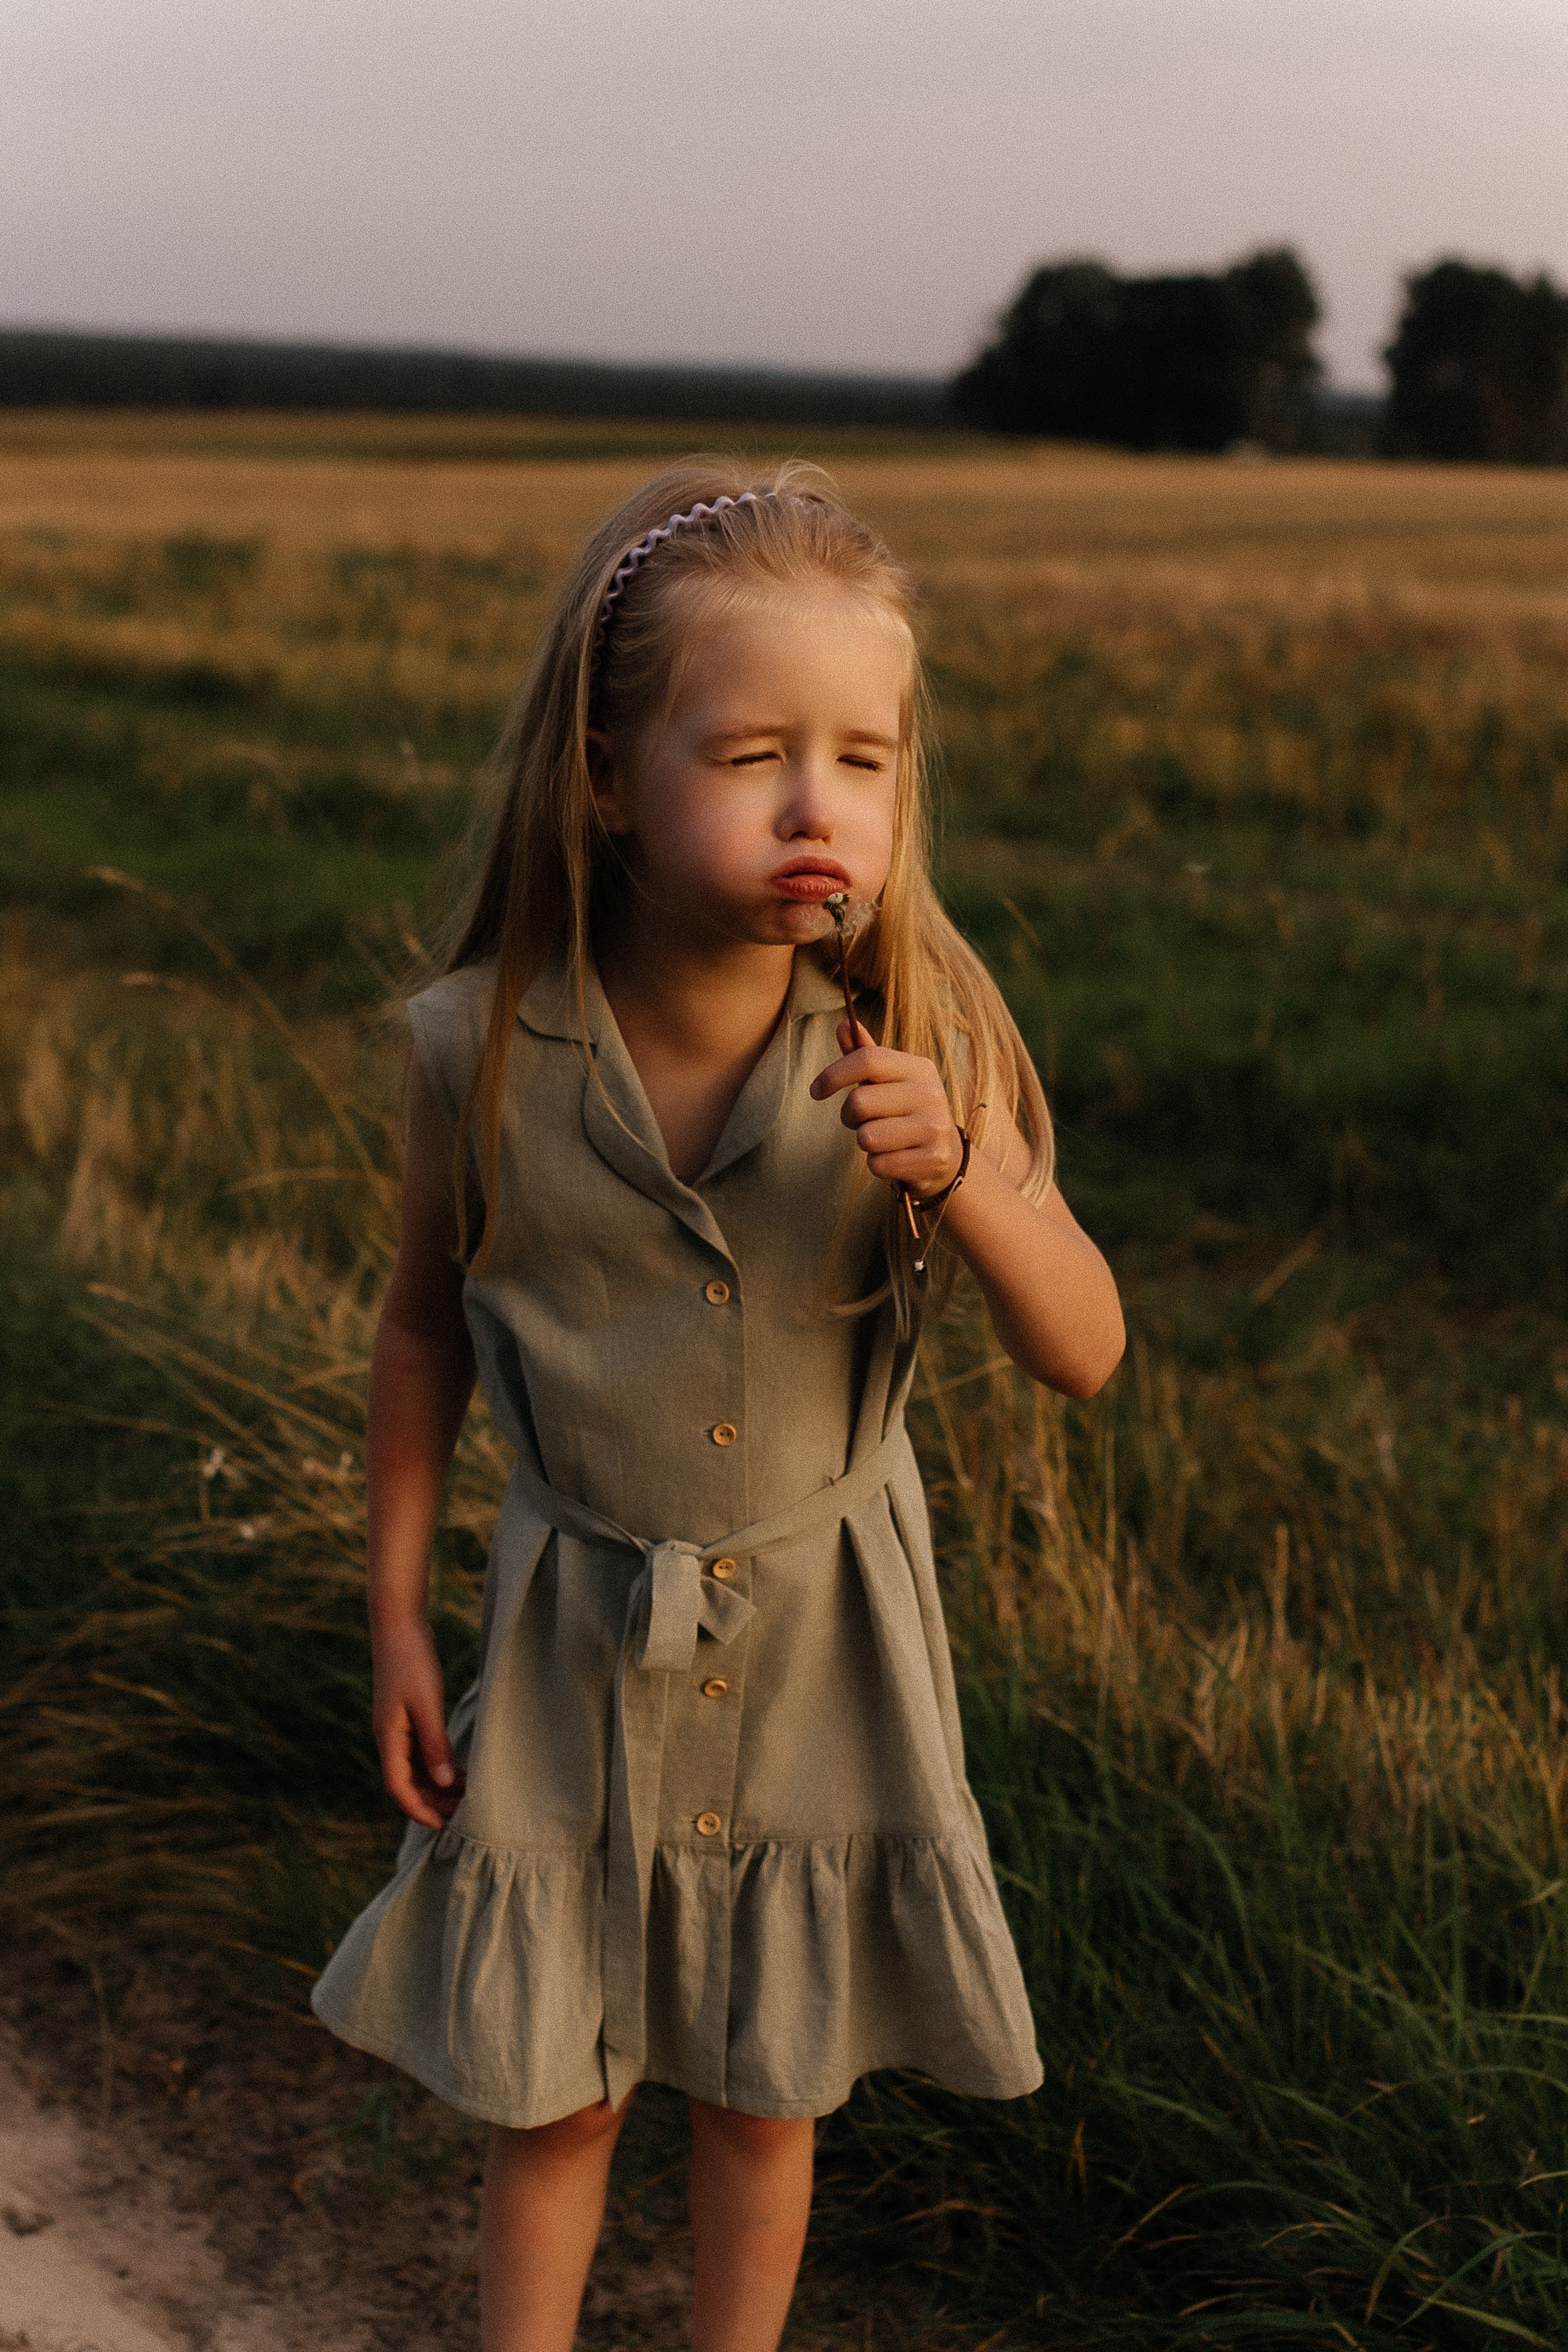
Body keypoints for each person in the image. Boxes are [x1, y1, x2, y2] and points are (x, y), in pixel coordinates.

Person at [311, 461, 1124, 2352]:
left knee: (769, 2091)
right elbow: (422, 1329)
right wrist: (396, 1616)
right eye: (752, 754)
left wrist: (965, 1178)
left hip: (823, 1648)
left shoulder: (918, 1035)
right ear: (608, 776)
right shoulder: (481, 1043)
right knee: (557, 2089)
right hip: (572, 1636)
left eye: (863, 759)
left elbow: (1084, 1347)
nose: (814, 806)